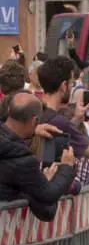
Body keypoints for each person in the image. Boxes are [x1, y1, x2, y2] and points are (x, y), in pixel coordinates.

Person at [0, 92, 76, 220]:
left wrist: (34, 128)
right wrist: (66, 167)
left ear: (9, 111)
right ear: (35, 120)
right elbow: (48, 196)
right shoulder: (22, 160)